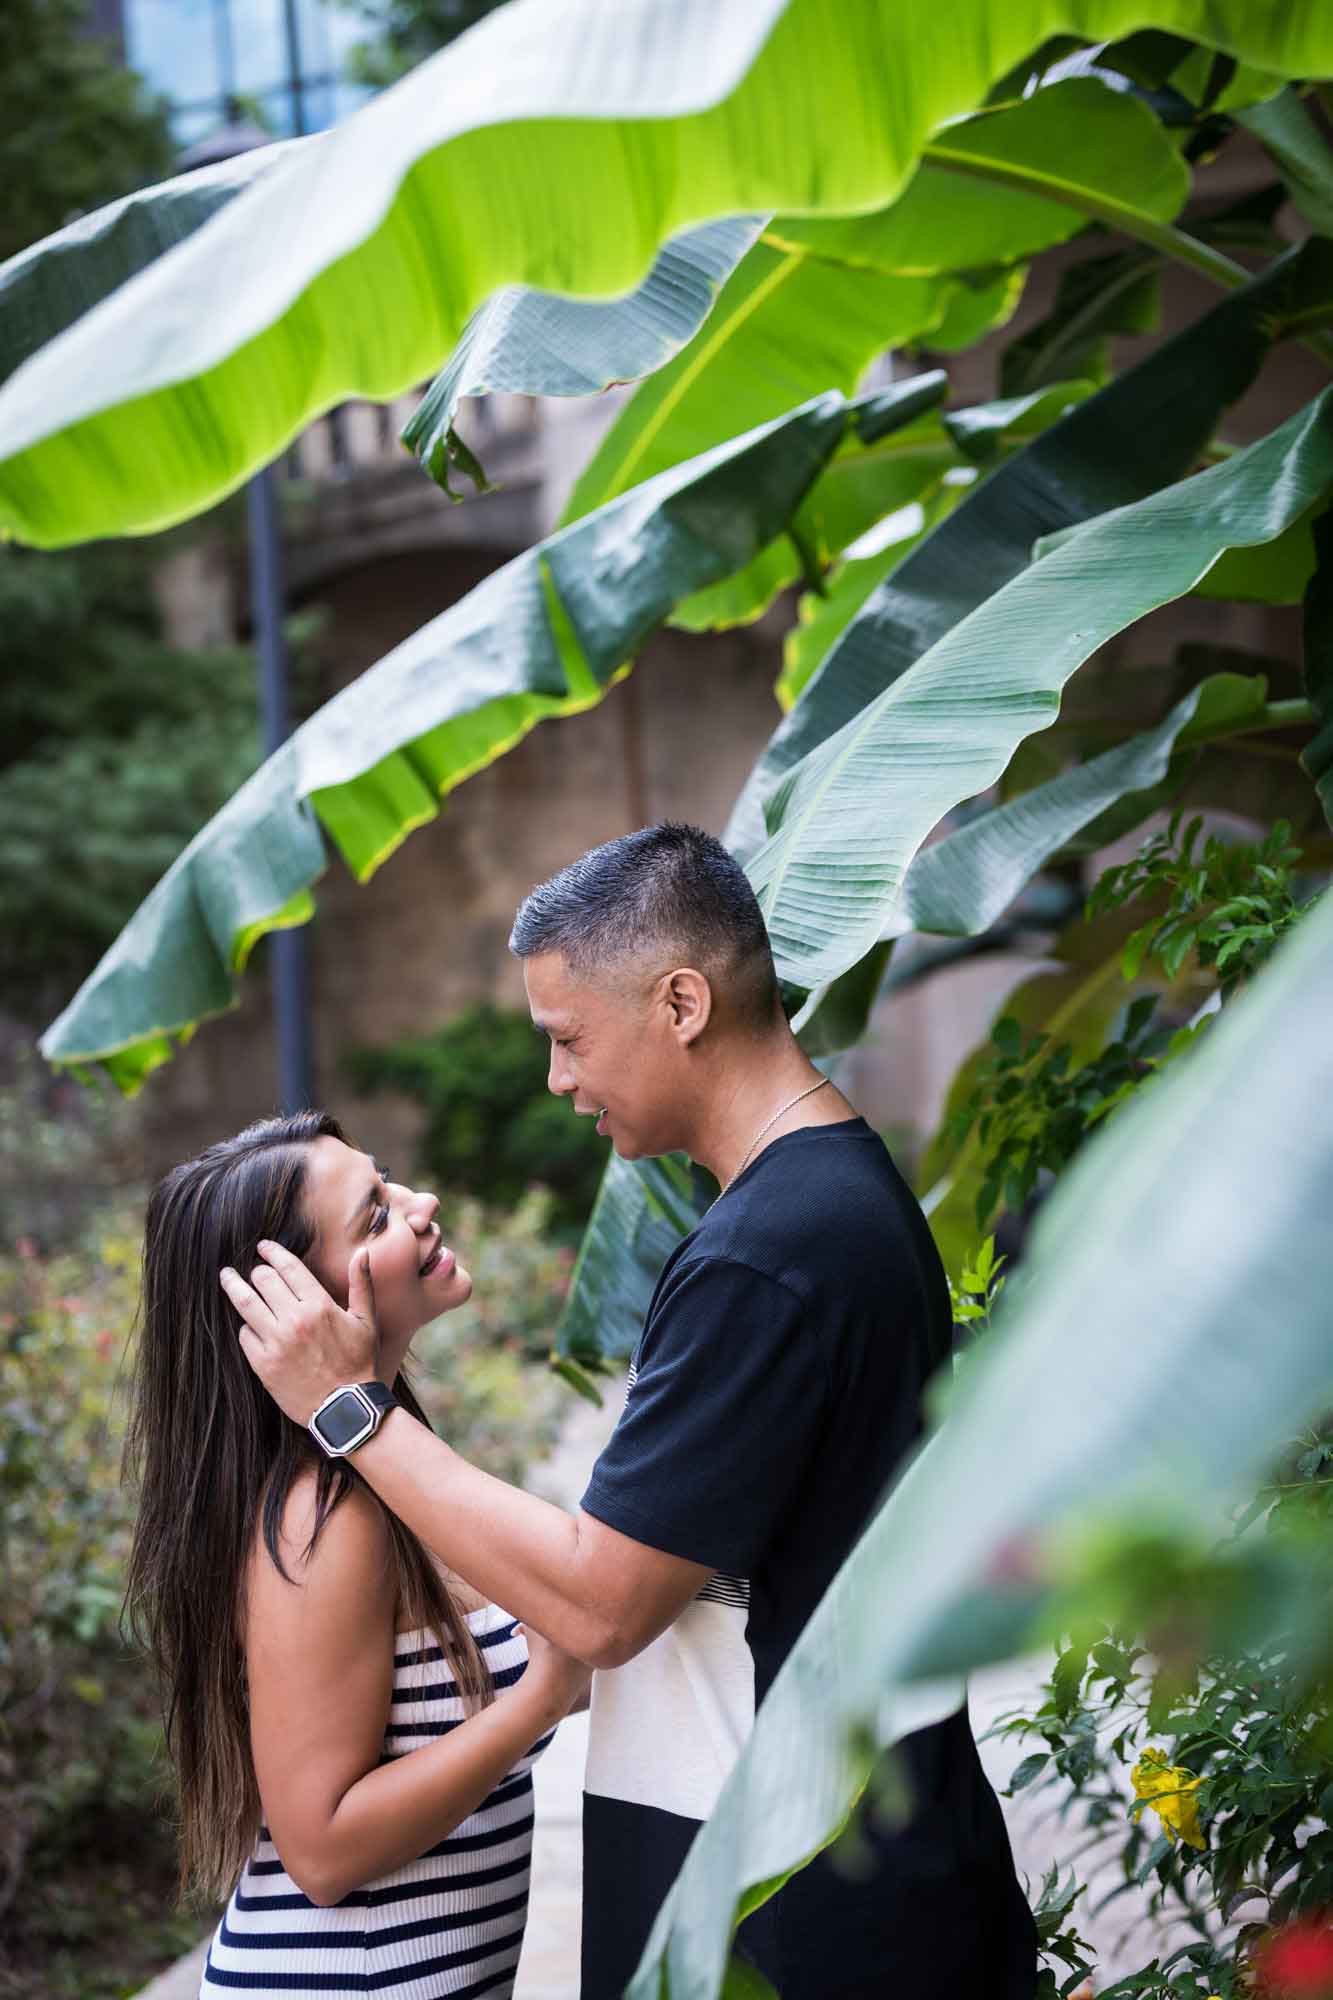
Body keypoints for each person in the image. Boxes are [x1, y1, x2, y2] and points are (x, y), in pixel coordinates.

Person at [226, 823, 1037, 1999]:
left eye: (569, 1038)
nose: (560, 1080)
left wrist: (350, 1410)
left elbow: (601, 1604)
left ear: (681, 1002)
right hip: (843, 1855)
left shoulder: (767, 1251)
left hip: (792, 1899)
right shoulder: (828, 1200)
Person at [126, 1111, 589, 2000]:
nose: (423, 1204)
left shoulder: (384, 1470)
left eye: (389, 1185)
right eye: (376, 1215)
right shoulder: (321, 1514)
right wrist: (537, 1700)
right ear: (297, 1304)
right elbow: (323, 1848)